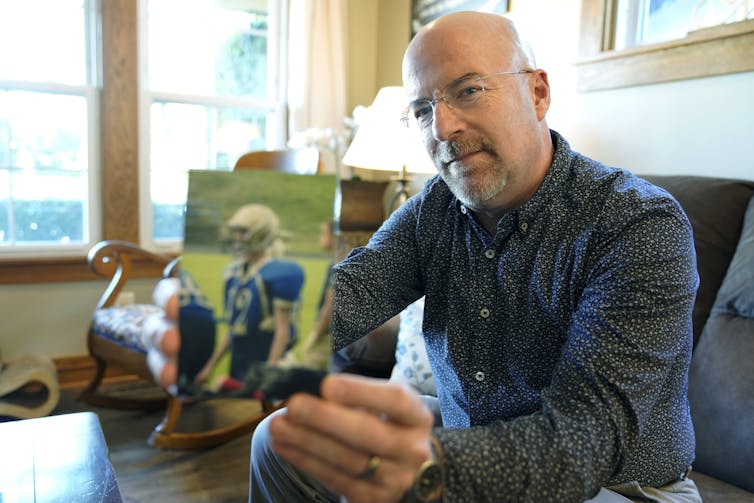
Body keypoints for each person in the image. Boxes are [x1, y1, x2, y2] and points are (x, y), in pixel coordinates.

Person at [149, 11, 701, 502]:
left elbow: (584, 442)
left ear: (537, 93)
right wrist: (220, 332)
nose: (443, 128)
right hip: (469, 436)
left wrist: (432, 467)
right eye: (421, 109)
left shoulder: (638, 225)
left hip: (618, 483)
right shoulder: (433, 211)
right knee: (282, 438)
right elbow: (348, 296)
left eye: (468, 91)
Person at [195, 203, 305, 389]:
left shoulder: (278, 273)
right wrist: (209, 367)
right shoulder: (233, 274)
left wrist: (268, 371)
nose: (237, 237)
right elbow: (234, 328)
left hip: (266, 358)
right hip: (239, 360)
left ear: (261, 234)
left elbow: (282, 332)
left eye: (243, 232)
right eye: (236, 231)